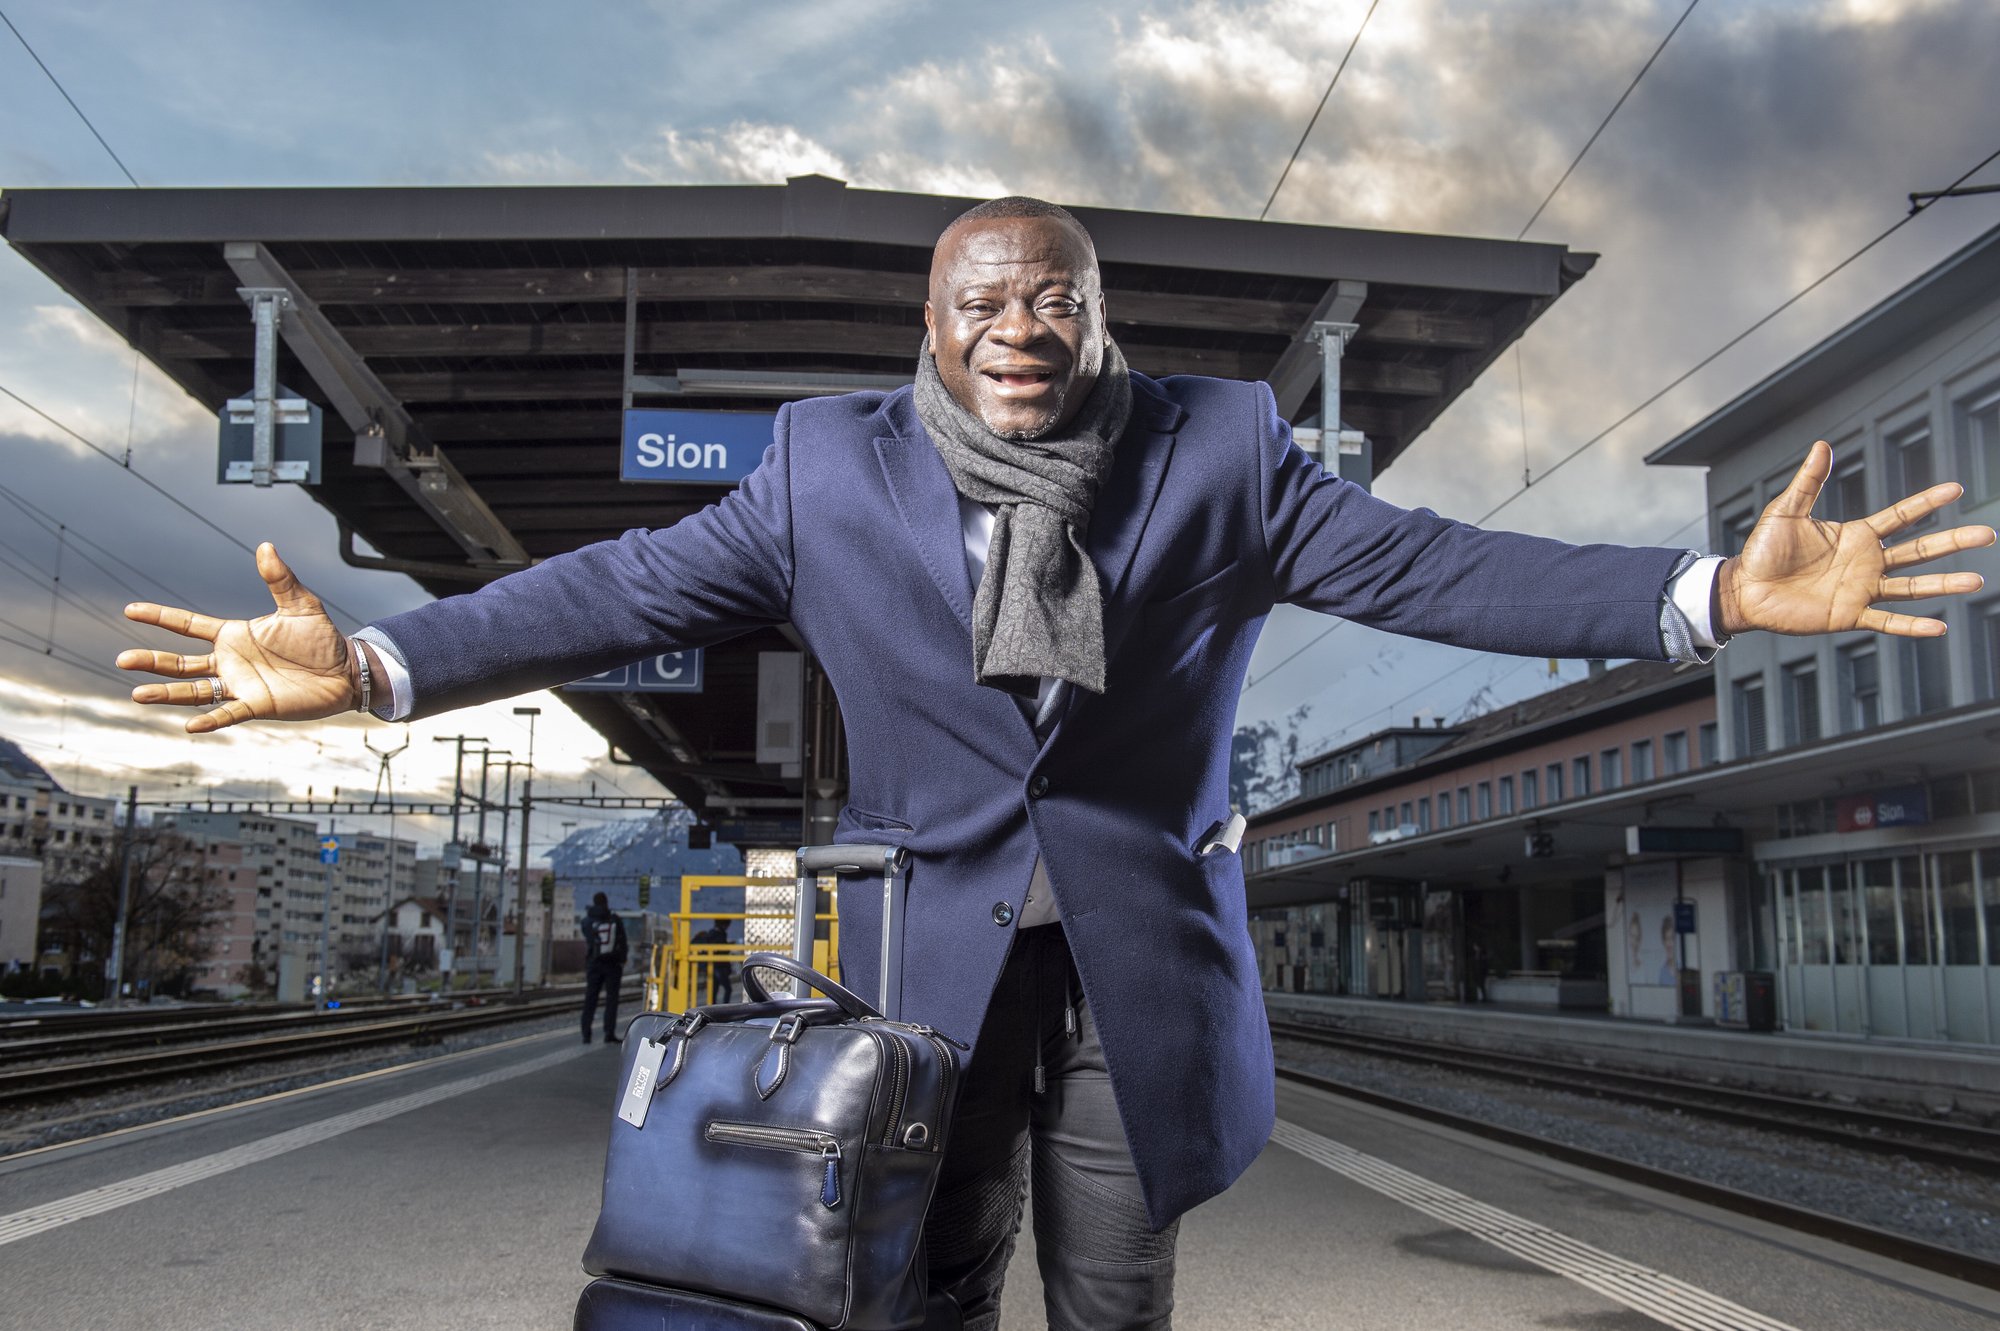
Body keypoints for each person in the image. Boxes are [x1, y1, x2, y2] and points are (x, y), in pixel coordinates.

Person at [116, 197, 1991, 1330]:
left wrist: (1710, 593)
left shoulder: (1224, 449)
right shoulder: (820, 468)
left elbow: (1443, 571)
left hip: (1138, 961)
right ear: (925, 326)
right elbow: (617, 588)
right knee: (925, 1270)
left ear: (1101, 317)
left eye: (1056, 301)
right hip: (922, 960)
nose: (1021, 330)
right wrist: (377, 659)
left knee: (1117, 1284)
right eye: (982, 304)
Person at [580, 891, 627, 1045]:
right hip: (612, 965)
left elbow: (588, 940)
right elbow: (623, 942)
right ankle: (609, 1033)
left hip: (594, 964)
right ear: (606, 902)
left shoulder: (587, 921)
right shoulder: (615, 919)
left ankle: (586, 1034)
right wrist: (622, 960)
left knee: (590, 999)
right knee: (611, 1000)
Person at [691, 920, 735, 1003]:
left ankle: (713, 1008)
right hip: (719, 966)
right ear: (723, 925)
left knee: (714, 989)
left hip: (714, 965)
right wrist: (727, 947)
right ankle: (725, 1008)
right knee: (727, 989)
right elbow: (720, 949)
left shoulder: (714, 934)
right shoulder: (718, 934)